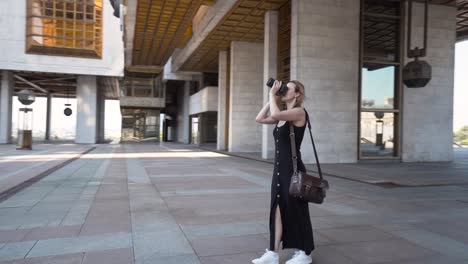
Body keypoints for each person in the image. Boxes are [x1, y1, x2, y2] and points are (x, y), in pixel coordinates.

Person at [253, 80, 314, 264]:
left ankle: (305, 253)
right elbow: (259, 118)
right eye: (283, 88)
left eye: (287, 88)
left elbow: (277, 113)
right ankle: (272, 253)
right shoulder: (281, 116)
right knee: (277, 209)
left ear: (296, 94)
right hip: (279, 170)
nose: (284, 90)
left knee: (297, 210)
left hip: (293, 171)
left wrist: (273, 96)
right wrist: (273, 96)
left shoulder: (299, 112)